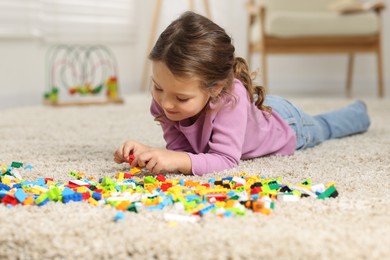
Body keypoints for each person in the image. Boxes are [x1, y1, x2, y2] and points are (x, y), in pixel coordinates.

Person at [113, 11, 370, 176]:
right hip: (254, 114)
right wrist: (148, 154)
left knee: (324, 127)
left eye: (181, 98)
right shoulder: (168, 96)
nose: (165, 103)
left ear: (214, 88)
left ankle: (358, 113)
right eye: (157, 87)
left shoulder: (229, 96)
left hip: (287, 125)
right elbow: (183, 152)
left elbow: (226, 159)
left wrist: (175, 159)